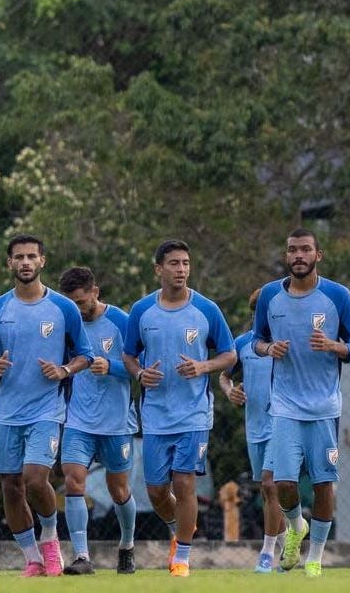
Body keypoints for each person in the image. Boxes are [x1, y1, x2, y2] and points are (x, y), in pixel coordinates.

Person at [0, 235, 93, 577]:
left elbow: (85, 355)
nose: (25, 262)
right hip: (8, 411)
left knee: (35, 478)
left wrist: (64, 370)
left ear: (42, 261)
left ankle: (51, 541)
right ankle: (32, 559)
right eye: (19, 257)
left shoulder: (64, 308)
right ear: (9, 263)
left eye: (31, 257)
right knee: (10, 485)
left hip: (47, 410)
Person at [252, 229, 350, 577]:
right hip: (284, 406)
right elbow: (258, 340)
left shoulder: (337, 296)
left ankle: (315, 556)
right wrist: (269, 349)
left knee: (322, 485)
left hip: (324, 409)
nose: (298, 255)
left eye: (305, 249)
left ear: (319, 255)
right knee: (281, 484)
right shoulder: (270, 295)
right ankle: (295, 525)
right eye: (292, 250)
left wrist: (335, 347)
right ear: (286, 257)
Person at [123, 239, 236, 577]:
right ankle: (181, 527)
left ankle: (182, 556)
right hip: (156, 415)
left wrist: (203, 367)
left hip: (194, 413)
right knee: (157, 491)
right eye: (174, 263)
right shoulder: (142, 311)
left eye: (186, 263)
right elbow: (128, 355)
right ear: (158, 269)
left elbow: (229, 354)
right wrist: (141, 373)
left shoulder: (207, 309)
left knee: (184, 484)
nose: (181, 270)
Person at [57, 266, 139, 575]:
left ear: (95, 292)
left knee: (119, 489)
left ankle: (127, 546)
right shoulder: (67, 324)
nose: (76, 310)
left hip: (116, 422)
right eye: (71, 304)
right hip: (77, 420)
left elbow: (139, 365)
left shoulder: (121, 321)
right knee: (74, 481)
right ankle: (81, 556)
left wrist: (112, 366)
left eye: (81, 302)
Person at [219, 288, 284, 574]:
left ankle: (267, 553)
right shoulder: (244, 343)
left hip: (283, 424)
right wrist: (230, 391)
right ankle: (288, 542)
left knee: (271, 485)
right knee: (268, 493)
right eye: (261, 310)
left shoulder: (286, 342)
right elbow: (224, 375)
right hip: (255, 427)